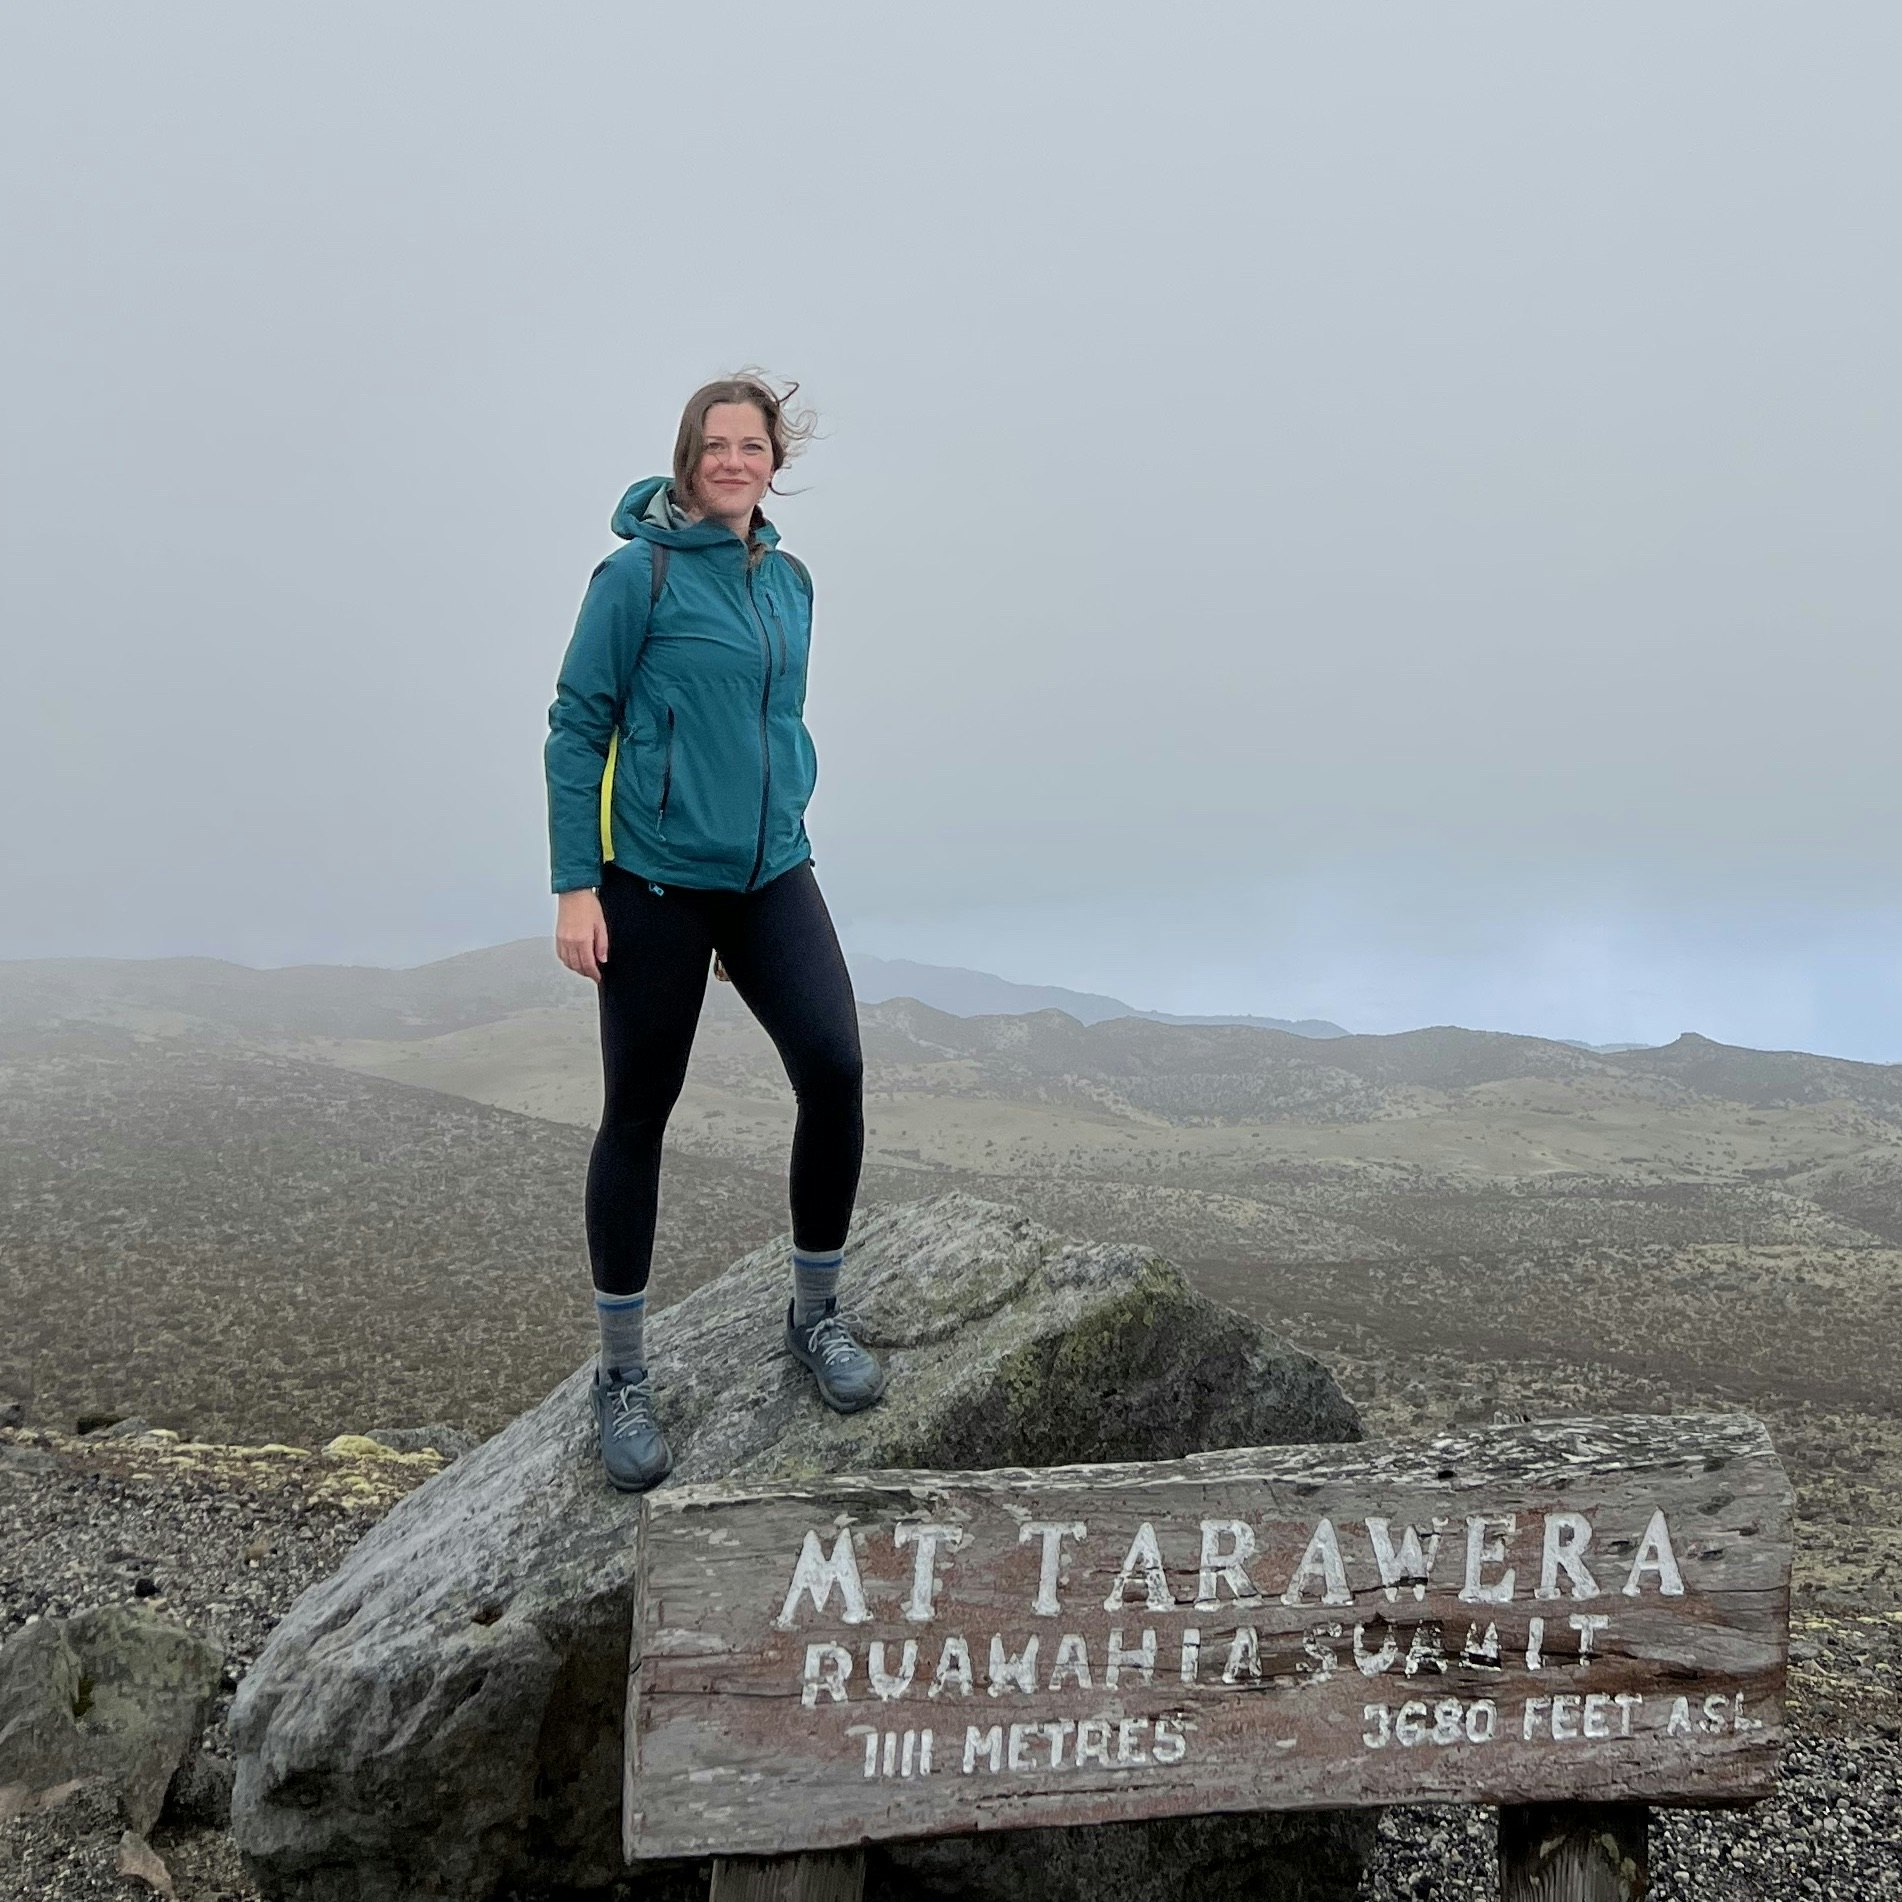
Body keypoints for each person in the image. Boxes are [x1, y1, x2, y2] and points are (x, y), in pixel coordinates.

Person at [544, 372, 884, 1493]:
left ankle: (816, 1316)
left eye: (752, 445)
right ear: (688, 456)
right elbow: (577, 726)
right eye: (715, 444)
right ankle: (624, 1375)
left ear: (774, 461)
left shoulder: (789, 583)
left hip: (771, 870)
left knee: (833, 1068)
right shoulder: (632, 576)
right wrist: (574, 886)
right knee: (639, 1111)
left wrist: (784, 810)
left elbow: (774, 720)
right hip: (650, 883)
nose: (733, 461)